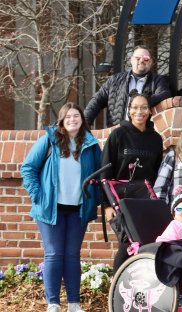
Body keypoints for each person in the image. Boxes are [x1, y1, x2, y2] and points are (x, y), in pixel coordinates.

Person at [20, 103, 102, 312]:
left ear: (82, 119)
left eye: (76, 116)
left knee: (73, 255)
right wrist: (38, 196)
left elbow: (100, 176)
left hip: (78, 209)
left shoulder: (91, 145)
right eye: (68, 117)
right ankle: (53, 303)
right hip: (51, 208)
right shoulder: (50, 140)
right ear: (62, 121)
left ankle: (74, 304)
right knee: (54, 254)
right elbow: (28, 168)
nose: (73, 119)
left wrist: (95, 199)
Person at [100, 92, 165, 269]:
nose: (139, 111)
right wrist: (106, 205)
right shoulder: (118, 135)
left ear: (150, 111)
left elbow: (158, 172)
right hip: (121, 200)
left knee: (146, 244)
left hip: (145, 201)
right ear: (129, 110)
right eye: (135, 107)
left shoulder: (156, 139)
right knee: (126, 244)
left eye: (144, 107)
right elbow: (105, 171)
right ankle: (117, 288)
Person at [85, 46, 171, 127]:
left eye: (146, 59)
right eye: (138, 58)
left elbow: (164, 94)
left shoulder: (158, 81)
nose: (141, 60)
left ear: (151, 62)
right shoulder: (114, 80)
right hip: (117, 133)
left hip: (143, 133)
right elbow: (96, 101)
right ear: (131, 60)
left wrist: (144, 101)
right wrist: (84, 124)